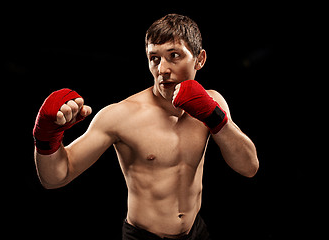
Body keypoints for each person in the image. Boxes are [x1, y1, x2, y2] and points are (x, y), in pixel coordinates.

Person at [33, 14, 259, 240]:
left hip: (195, 232)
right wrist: (46, 136)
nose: (162, 70)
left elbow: (249, 167)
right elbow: (55, 178)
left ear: (199, 59)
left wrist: (214, 117)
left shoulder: (214, 103)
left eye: (174, 56)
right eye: (154, 58)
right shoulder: (122, 115)